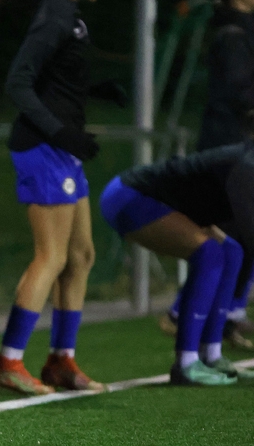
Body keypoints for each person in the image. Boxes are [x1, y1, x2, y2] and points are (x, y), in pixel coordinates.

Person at [0, 0, 124, 395]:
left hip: (60, 149)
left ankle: (62, 361)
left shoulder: (70, 16)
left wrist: (94, 89)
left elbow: (54, 80)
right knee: (52, 256)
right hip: (42, 148)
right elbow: (18, 83)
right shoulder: (53, 17)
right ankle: (8, 362)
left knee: (81, 255)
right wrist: (61, 132)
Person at [100, 137, 254, 384]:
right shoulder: (247, 164)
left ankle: (211, 355)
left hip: (165, 203)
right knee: (210, 254)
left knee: (232, 252)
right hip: (130, 196)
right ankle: (186, 363)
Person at [159, 0, 254, 349]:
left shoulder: (243, 29)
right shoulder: (231, 32)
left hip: (240, 141)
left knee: (240, 232)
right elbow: (239, 92)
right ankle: (183, 312)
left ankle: (229, 314)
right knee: (228, 233)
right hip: (226, 143)